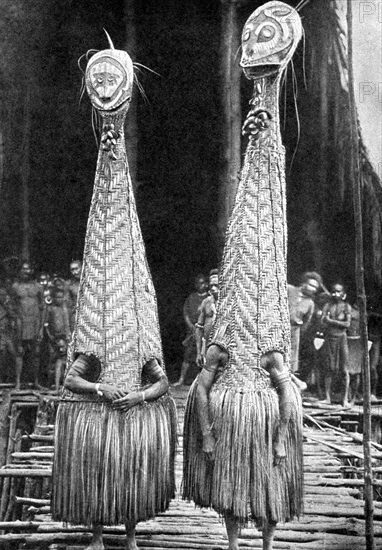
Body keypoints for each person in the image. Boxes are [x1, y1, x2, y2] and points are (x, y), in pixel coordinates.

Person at [183, 5, 303, 549]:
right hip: (232, 415)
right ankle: (233, 543)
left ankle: (267, 542)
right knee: (232, 492)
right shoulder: (221, 340)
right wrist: (206, 430)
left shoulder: (272, 342)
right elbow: (201, 386)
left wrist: (282, 433)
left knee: (268, 490)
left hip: (256, 412)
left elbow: (286, 391)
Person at [51, 43, 176, 550]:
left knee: (130, 478)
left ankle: (127, 534)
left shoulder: (143, 327)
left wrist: (141, 395)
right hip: (104, 411)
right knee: (103, 477)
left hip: (130, 412)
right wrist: (102, 392)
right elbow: (72, 376)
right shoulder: (93, 329)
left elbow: (163, 381)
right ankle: (100, 534)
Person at [287, 272, 323, 391]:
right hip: (279, 328)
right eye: (311, 285)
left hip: (294, 332)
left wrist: (297, 330)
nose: (312, 289)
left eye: (315, 288)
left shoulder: (310, 303)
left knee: (291, 361)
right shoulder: (290, 290)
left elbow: (306, 323)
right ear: (304, 283)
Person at [11, 262, 44, 388]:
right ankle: (18, 383)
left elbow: (42, 307)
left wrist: (41, 327)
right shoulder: (15, 287)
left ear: (32, 270)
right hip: (21, 322)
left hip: (35, 322)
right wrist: (15, 320)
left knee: (36, 353)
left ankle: (36, 382)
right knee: (19, 352)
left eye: (28, 269)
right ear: (20, 271)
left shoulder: (38, 287)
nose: (26, 271)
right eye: (23, 269)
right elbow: (12, 305)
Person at [320, 282, 352, 407]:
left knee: (344, 369)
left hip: (342, 338)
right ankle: (327, 398)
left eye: (339, 292)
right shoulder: (327, 305)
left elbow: (347, 324)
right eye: (333, 291)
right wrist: (329, 321)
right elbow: (322, 321)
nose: (335, 294)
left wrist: (330, 321)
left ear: (343, 294)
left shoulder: (346, 307)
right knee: (329, 368)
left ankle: (344, 400)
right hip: (329, 338)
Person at [173, 273, 208, 386]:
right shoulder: (192, 297)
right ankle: (181, 380)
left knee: (204, 355)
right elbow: (186, 313)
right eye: (199, 283)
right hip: (192, 332)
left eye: (203, 283)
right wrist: (191, 326)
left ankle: (202, 382)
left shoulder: (208, 298)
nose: (201, 285)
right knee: (187, 355)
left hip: (204, 331)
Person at [0, 286, 20, 384]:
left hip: (8, 333)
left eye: (4, 295)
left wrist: (9, 310)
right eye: (0, 295)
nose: (2, 297)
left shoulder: (7, 305)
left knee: (13, 354)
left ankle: (12, 377)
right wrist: (4, 313)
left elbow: (14, 317)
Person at [44, 288, 71, 388]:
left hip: (63, 338)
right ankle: (50, 383)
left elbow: (67, 323)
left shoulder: (64, 309)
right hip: (53, 338)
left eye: (61, 297)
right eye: (57, 297)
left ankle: (62, 383)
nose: (59, 299)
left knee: (63, 359)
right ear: (53, 298)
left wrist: (68, 336)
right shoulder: (50, 309)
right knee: (51, 359)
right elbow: (46, 324)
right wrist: (50, 336)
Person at [195, 269, 219, 367]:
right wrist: (199, 352)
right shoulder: (206, 302)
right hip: (207, 346)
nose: (213, 288)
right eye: (211, 285)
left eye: (216, 285)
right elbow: (199, 328)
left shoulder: (227, 303)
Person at [64, 260, 82, 332]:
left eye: (77, 269)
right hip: (76, 316)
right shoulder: (69, 285)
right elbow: (66, 306)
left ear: (82, 267)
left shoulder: (90, 282)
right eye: (72, 270)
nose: (75, 272)